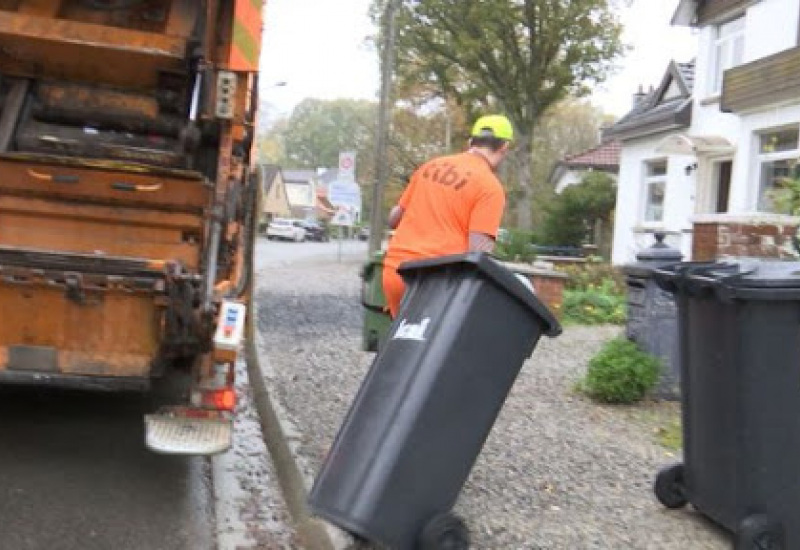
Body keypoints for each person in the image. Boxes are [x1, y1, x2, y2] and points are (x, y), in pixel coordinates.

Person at [382, 114, 514, 318]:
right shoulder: (490, 187)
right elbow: (477, 251)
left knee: (404, 343)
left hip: (396, 272)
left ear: (471, 142)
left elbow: (394, 218)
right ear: (504, 147)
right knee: (438, 347)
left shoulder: (431, 166)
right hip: (437, 283)